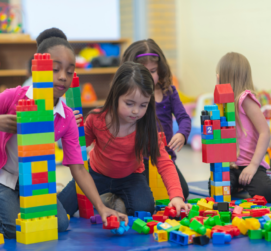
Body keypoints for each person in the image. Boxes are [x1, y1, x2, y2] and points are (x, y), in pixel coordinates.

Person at [0, 28, 126, 239]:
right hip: (4, 177)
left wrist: (100, 207)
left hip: (36, 183)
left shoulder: (66, 117)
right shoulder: (13, 97)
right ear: (38, 70)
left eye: (69, 71)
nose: (62, 77)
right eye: (55, 69)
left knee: (59, 223)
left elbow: (78, 167)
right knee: (16, 230)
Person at [59, 62, 191, 217]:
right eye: (129, 103)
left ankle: (112, 200)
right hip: (96, 175)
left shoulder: (146, 127)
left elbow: (164, 161)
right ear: (116, 96)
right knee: (62, 207)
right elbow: (80, 145)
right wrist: (72, 129)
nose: (136, 111)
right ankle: (103, 198)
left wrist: (176, 196)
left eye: (143, 105)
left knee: (145, 209)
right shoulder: (96, 118)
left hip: (131, 177)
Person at [121, 39, 191, 200]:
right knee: (144, 198)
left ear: (160, 69)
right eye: (143, 71)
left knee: (183, 193)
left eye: (152, 71)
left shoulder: (169, 92)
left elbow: (184, 118)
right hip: (138, 161)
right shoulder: (129, 97)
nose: (148, 76)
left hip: (165, 157)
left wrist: (182, 134)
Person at [210, 52, 271, 203]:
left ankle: (252, 179)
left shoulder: (245, 99)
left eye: (218, 75)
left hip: (250, 164)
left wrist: (253, 166)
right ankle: (240, 184)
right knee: (215, 189)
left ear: (223, 77)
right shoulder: (221, 104)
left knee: (267, 193)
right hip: (232, 166)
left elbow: (265, 132)